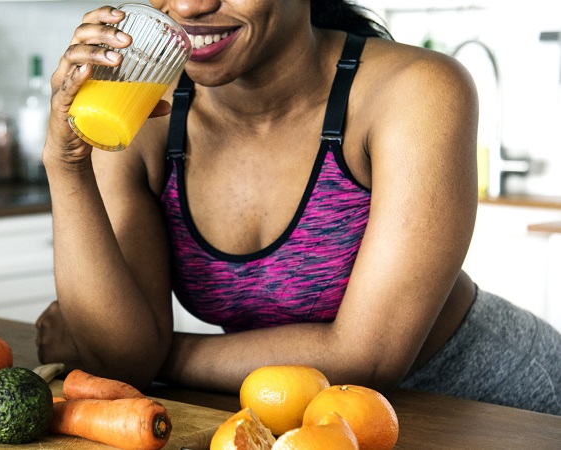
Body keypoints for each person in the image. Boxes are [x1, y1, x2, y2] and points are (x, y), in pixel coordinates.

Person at [34, 0, 561, 415]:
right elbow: (124, 358)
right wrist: (66, 162)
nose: (190, 6)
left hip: (489, 404)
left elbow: (365, 359)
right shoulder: (145, 110)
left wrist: (160, 354)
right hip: (297, 415)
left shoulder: (414, 89)